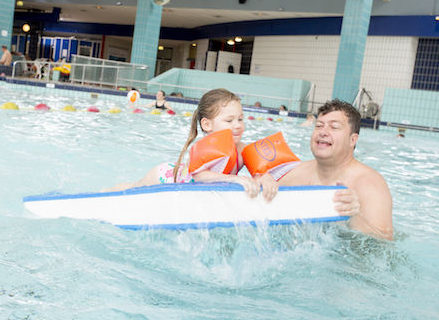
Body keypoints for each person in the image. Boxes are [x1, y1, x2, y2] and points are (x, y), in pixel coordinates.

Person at [107, 88, 278, 201]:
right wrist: (236, 179)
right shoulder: (205, 147)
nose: (237, 125)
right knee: (131, 192)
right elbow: (199, 177)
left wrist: (265, 178)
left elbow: (260, 169)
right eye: (229, 120)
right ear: (207, 125)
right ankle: (105, 194)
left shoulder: (242, 149)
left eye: (240, 119)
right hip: (165, 178)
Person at [278, 99, 393, 240]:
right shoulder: (298, 173)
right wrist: (264, 182)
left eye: (334, 127)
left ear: (352, 140)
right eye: (319, 126)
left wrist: (354, 217)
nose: (323, 132)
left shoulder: (369, 184)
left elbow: (383, 246)